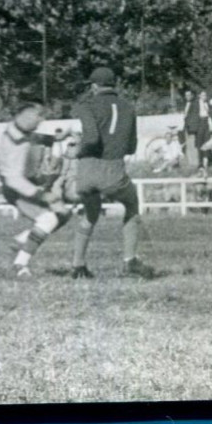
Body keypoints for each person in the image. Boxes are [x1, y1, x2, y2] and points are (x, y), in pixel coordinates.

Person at [70, 67, 157, 279]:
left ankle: (78, 265)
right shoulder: (128, 107)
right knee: (131, 205)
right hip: (113, 170)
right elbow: (131, 148)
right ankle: (129, 261)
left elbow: (90, 139)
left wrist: (76, 150)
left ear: (93, 86)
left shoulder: (86, 105)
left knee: (91, 212)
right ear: (114, 85)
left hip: (87, 170)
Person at [0, 101, 73, 278]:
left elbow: (33, 137)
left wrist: (54, 138)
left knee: (63, 213)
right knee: (48, 219)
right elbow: (13, 179)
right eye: (39, 116)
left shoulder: (16, 130)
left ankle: (23, 239)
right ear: (28, 116)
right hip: (17, 189)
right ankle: (19, 264)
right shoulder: (16, 142)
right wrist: (43, 195)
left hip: (24, 185)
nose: (41, 120)